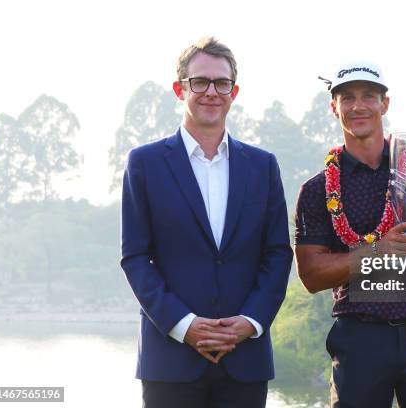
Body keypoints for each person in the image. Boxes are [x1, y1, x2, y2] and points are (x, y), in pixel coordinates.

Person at [120, 37, 293, 408]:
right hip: (170, 360)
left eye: (222, 83)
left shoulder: (263, 166)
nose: (211, 92)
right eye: (200, 82)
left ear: (235, 91)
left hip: (245, 358)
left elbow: (278, 253)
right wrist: (183, 326)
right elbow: (135, 257)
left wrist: (251, 321)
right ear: (180, 88)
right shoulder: (145, 164)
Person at [295, 62, 406, 407]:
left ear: (385, 104)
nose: (358, 106)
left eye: (369, 96)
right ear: (334, 107)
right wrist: (379, 251)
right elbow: (312, 275)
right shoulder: (318, 189)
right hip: (360, 336)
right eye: (347, 97)